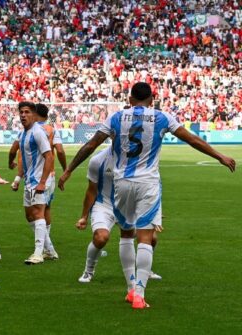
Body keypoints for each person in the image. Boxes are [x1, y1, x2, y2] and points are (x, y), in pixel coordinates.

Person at [59, 82, 236, 309]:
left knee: (126, 235)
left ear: (130, 99)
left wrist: (69, 170)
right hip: (148, 183)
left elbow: (91, 145)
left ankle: (131, 289)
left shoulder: (115, 118)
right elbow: (192, 139)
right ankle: (140, 295)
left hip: (122, 183)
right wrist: (219, 155)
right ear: (152, 100)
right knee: (145, 237)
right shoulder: (162, 117)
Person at [76, 147, 162, 283]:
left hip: (128, 205)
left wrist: (152, 212)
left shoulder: (139, 159)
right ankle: (88, 271)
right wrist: (84, 216)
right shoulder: (98, 160)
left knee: (151, 238)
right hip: (104, 205)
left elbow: (149, 186)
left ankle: (145, 271)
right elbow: (91, 190)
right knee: (101, 238)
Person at [10, 103, 68, 260]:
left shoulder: (38, 132)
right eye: (21, 112)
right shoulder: (24, 134)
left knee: (38, 212)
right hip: (29, 179)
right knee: (29, 215)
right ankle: (50, 250)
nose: (23, 115)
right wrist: (18, 177)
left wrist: (43, 182)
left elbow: (49, 156)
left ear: (34, 115)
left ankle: (38, 253)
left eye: (27, 112)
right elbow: (21, 158)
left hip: (40, 179)